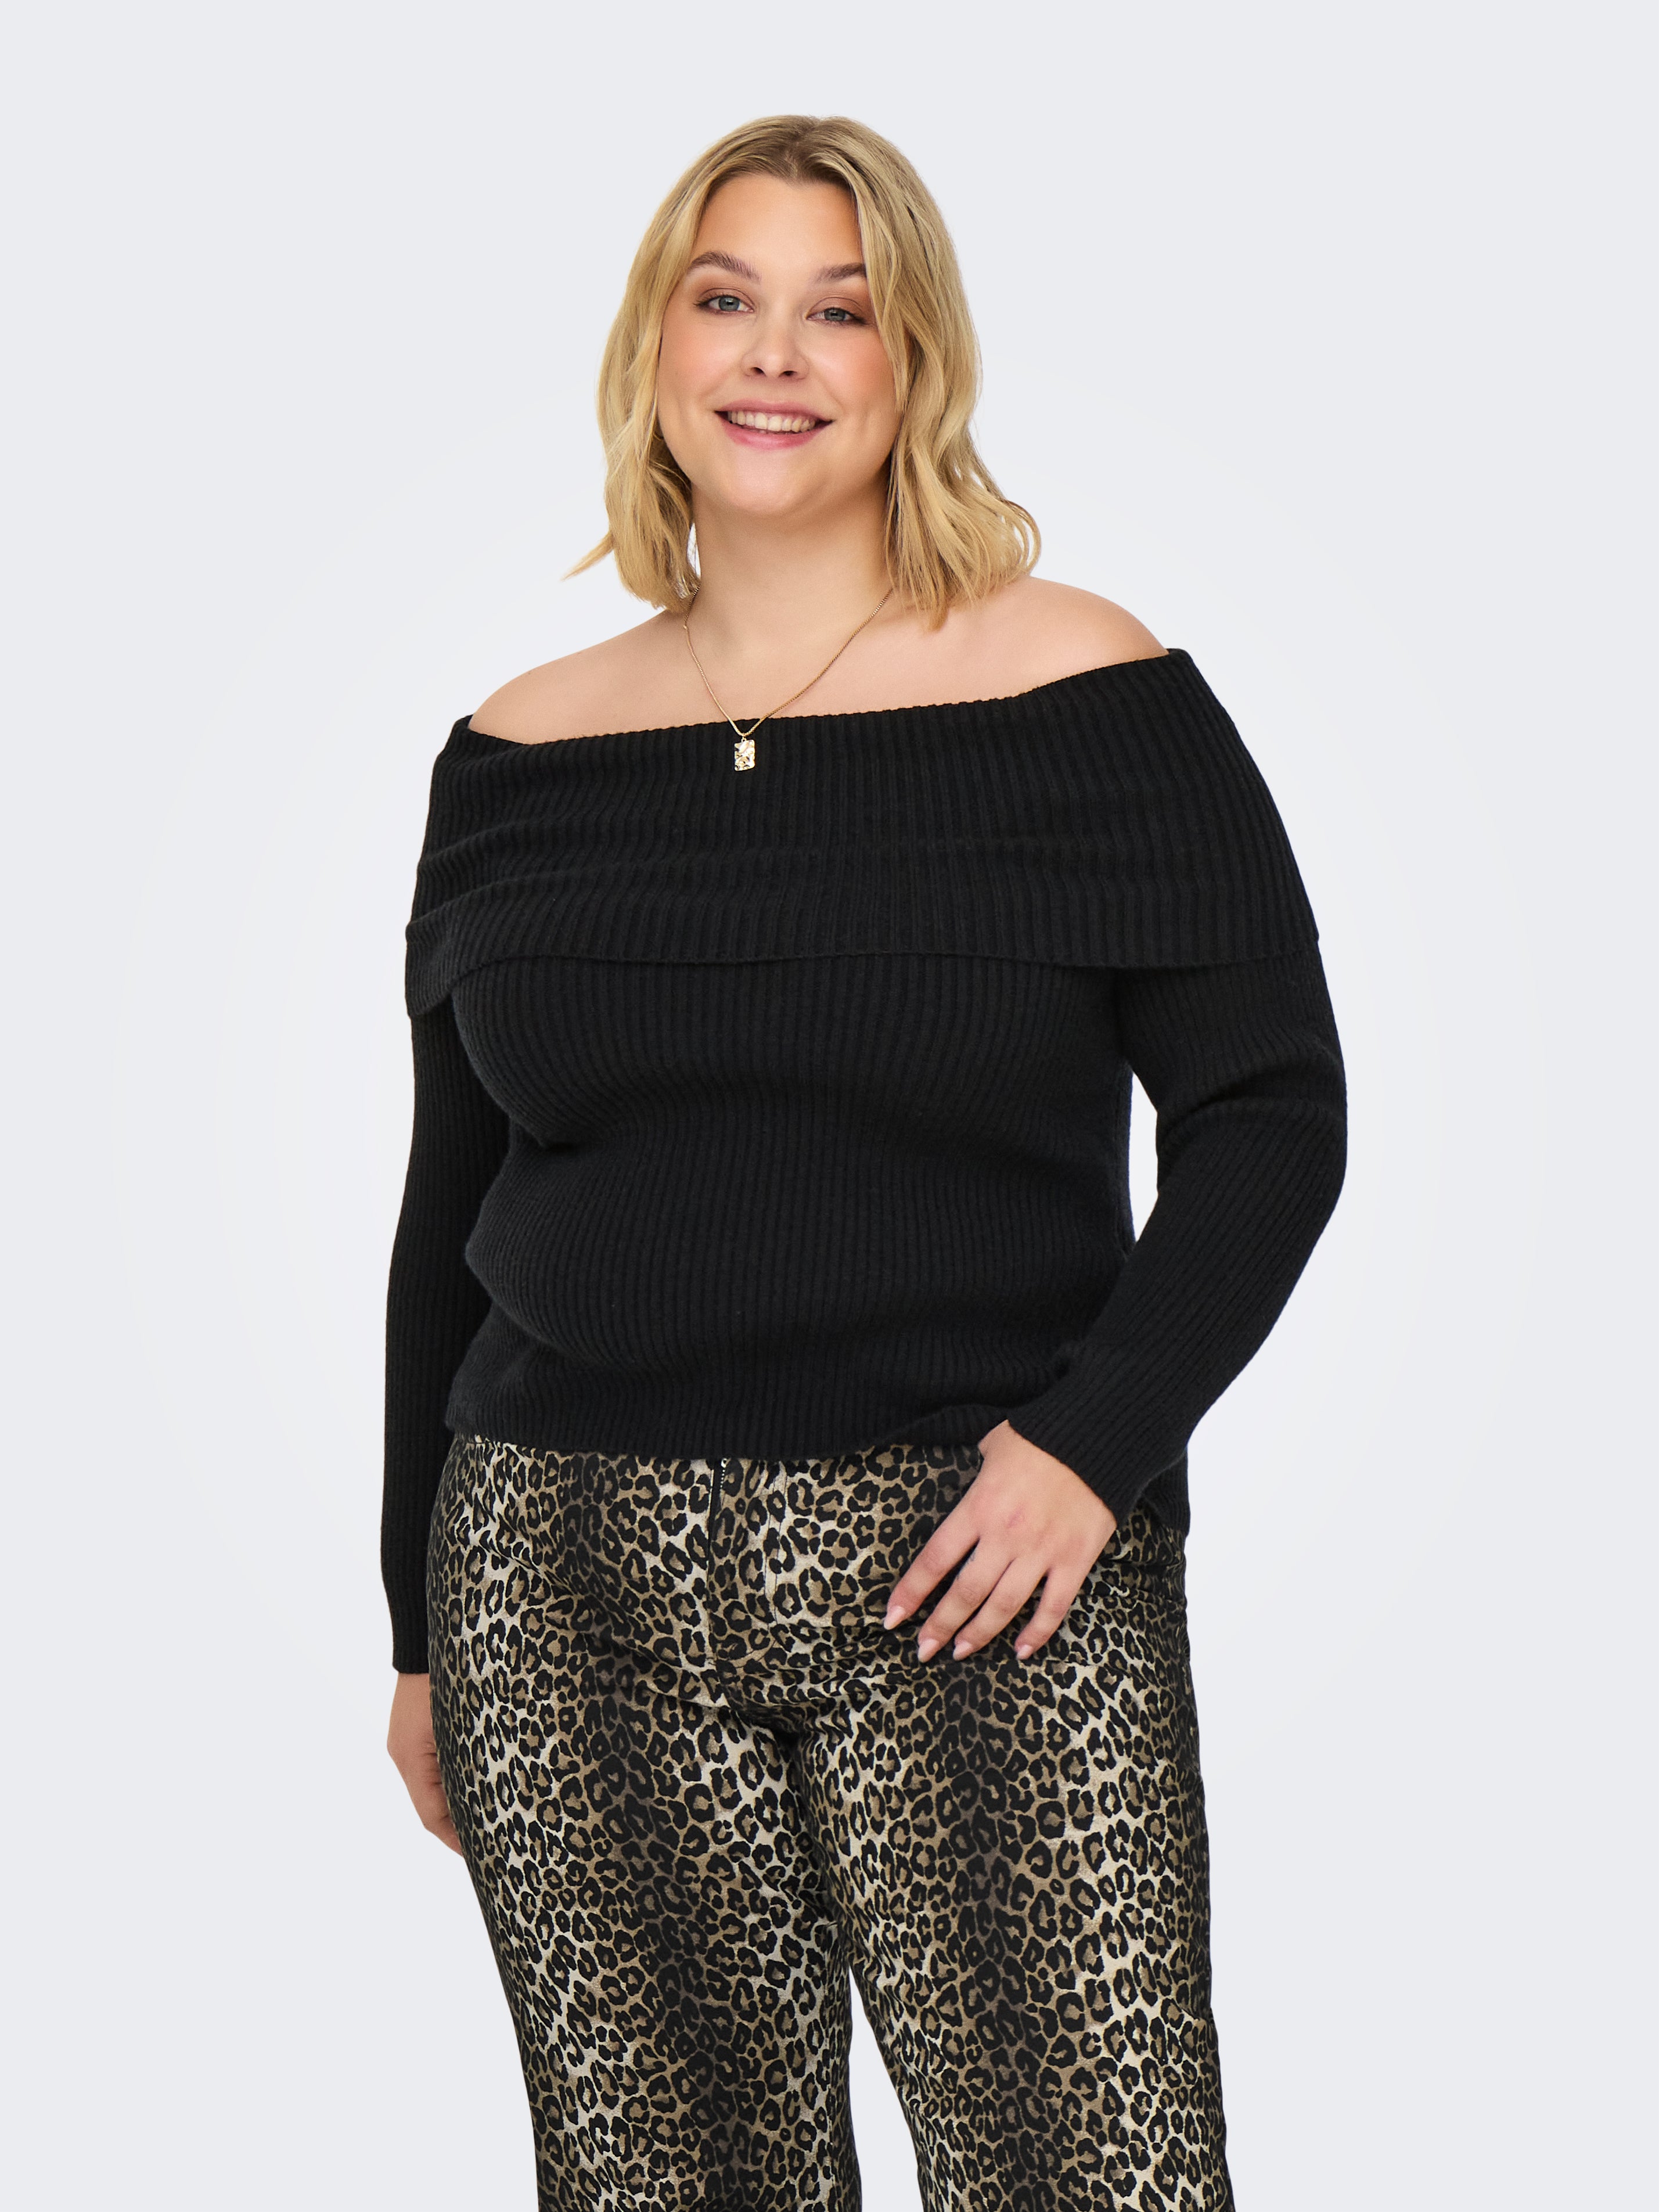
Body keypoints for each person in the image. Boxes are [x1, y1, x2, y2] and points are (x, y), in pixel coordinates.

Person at [382, 113, 1346, 2212]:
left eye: (840, 310)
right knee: (662, 2185)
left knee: (1092, 2175)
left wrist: (1092, 1444)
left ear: (915, 365)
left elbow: (1271, 1110)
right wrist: (417, 1627)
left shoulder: (1089, 696)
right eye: (724, 297)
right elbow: (448, 1215)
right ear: (653, 345)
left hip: (982, 1565)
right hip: (563, 1577)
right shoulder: (517, 755)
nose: (774, 353)